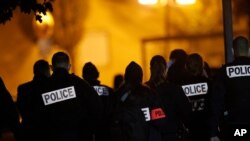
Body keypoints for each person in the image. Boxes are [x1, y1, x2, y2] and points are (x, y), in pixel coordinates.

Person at [30, 52, 103, 141]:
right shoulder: (80, 84)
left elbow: (35, 117)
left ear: (51, 67)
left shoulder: (41, 88)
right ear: (69, 67)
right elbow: (97, 107)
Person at [211, 36, 250, 141]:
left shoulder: (224, 71)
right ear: (249, 50)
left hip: (234, 125)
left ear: (233, 51)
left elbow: (216, 102)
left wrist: (213, 132)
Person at [110, 61, 153, 141]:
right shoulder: (149, 94)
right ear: (141, 76)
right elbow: (158, 122)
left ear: (126, 77)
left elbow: (114, 120)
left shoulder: (120, 95)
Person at [179, 53, 212, 141]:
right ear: (202, 66)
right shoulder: (209, 83)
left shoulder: (180, 86)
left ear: (187, 67)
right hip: (206, 130)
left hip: (188, 131)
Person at [16, 59, 50, 141]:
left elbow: (20, 109)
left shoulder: (23, 89)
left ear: (34, 71)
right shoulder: (53, 87)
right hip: (48, 132)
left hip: (28, 133)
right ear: (47, 71)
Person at [82, 62, 114, 141]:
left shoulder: (80, 92)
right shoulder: (109, 91)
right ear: (98, 74)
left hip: (87, 133)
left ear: (83, 76)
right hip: (106, 133)